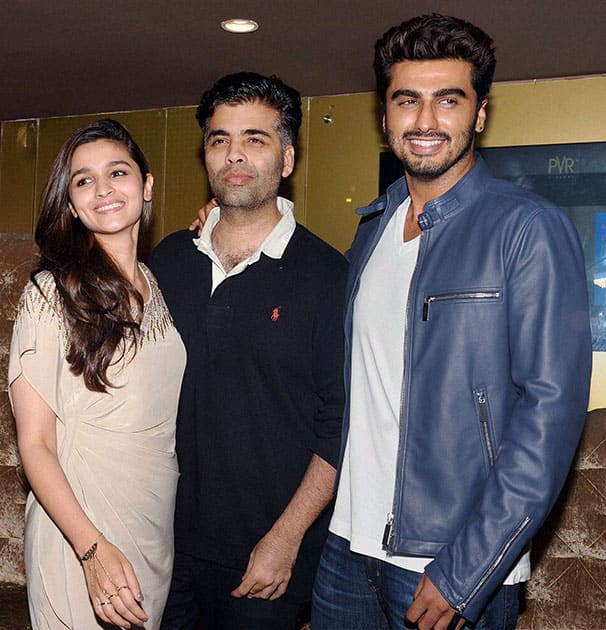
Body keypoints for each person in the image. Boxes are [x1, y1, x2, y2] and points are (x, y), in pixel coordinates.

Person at [311, 14, 592, 630]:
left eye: (449, 100)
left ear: (480, 115)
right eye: (407, 100)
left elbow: (550, 414)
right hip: (346, 548)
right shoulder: (372, 227)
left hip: (446, 561)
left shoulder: (529, 228)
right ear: (384, 117)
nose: (426, 121)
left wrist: (468, 567)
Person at [149, 72, 347, 629]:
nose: (234, 155)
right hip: (162, 547)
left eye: (255, 139)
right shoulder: (166, 261)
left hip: (267, 562)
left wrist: (286, 539)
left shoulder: (327, 275)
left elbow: (340, 425)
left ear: (286, 158)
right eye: (220, 140)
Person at [9, 119, 186, 629]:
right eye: (83, 180)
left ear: (146, 185)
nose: (103, 189)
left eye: (118, 172)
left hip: (152, 527)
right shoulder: (50, 295)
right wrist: (91, 552)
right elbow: (36, 444)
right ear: (69, 203)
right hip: (79, 531)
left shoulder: (157, 283)